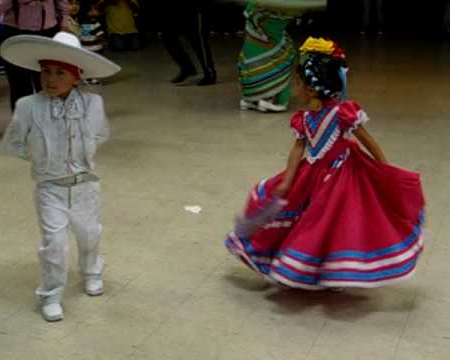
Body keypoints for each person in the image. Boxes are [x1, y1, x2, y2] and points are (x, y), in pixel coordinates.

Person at [225, 37, 426, 290]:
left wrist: (384, 171)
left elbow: (368, 142)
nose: (294, 86)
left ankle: (330, 270)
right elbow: (299, 146)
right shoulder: (304, 118)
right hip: (311, 173)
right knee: (293, 208)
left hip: (341, 176)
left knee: (331, 220)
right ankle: (304, 264)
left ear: (311, 89)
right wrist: (288, 178)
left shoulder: (342, 112)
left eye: (297, 83)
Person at [1, 31, 120, 321]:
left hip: (84, 185)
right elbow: (13, 142)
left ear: (76, 76)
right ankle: (51, 294)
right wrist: (41, 157)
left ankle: (92, 271)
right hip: (50, 187)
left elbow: (101, 132)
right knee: (54, 243)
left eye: (59, 72)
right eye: (45, 71)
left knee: (90, 234)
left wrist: (84, 153)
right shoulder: (28, 106)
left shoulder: (92, 104)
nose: (50, 79)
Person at [0, 0, 69, 111]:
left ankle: (49, 124)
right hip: (15, 33)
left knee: (48, 83)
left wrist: (64, 25)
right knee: (19, 86)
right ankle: (22, 125)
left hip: (48, 32)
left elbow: (63, 4)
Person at [238, 0, 299, 113]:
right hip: (265, 18)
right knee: (279, 56)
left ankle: (254, 98)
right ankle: (272, 100)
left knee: (256, 55)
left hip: (262, 19)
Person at [161, 0, 216, 86]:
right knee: (168, 35)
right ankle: (187, 67)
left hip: (194, 6)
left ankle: (209, 72)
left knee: (197, 38)